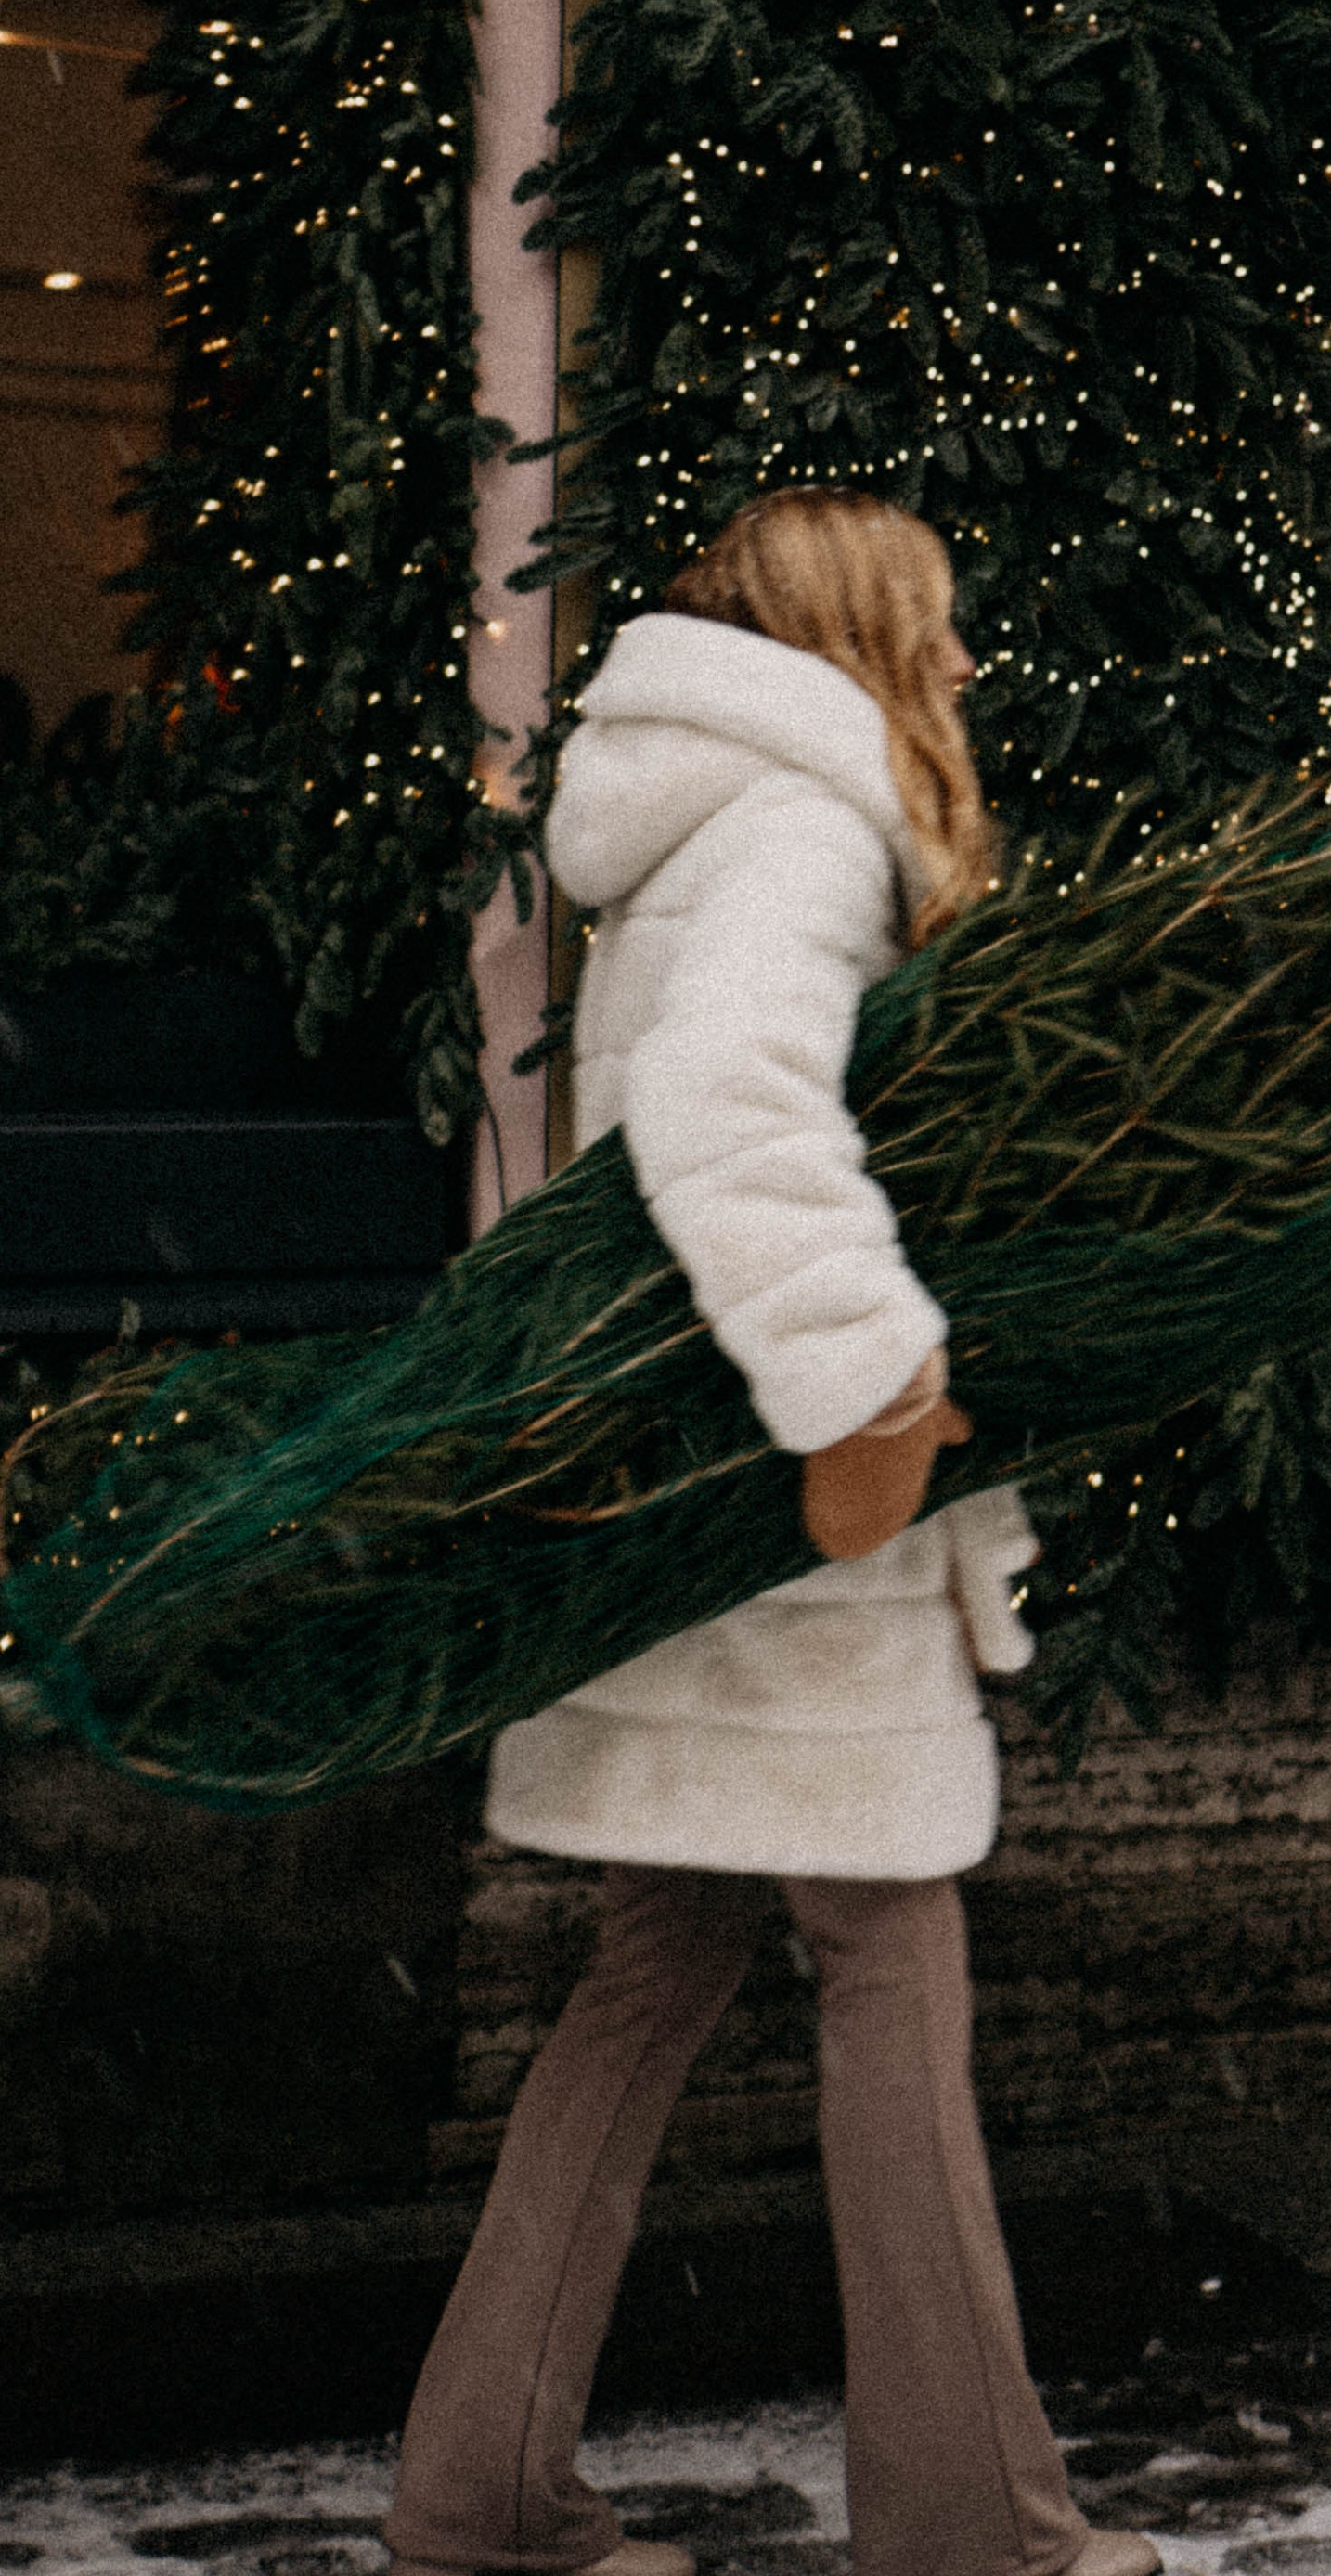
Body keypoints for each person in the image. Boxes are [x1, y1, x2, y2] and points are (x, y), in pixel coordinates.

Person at [382, 488, 1156, 2576]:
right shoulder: (806, 829)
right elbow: (729, 1107)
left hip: (695, 1508)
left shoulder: (705, 825)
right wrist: (873, 1381)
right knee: (890, 1973)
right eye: (940, 620)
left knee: (652, 1979)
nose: (969, 662)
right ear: (858, 636)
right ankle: (974, 2529)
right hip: (792, 1532)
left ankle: (481, 2496)